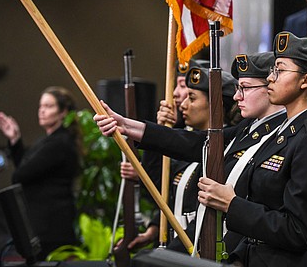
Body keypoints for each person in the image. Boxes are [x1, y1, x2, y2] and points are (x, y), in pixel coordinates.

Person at [97, 53, 287, 256]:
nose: (237, 96)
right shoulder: (248, 129)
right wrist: (126, 125)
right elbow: (193, 144)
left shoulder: (289, 134)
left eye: (246, 88)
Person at [197, 32, 307, 266]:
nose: (271, 79)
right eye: (272, 70)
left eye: (280, 70)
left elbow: (296, 231)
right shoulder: (282, 133)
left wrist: (232, 204)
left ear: (306, 81)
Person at [95, 64, 239, 252]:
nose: (183, 104)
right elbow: (160, 189)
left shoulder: (225, 149)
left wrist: (168, 254)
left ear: (216, 105)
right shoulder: (190, 143)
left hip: (195, 250)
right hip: (178, 247)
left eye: (192, 98)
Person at [0, 86, 81, 259]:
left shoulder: (59, 143)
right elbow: (26, 169)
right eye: (41, 106)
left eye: (49, 106)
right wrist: (15, 139)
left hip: (52, 224)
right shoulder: (49, 140)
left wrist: (18, 151)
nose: (42, 110)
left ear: (63, 112)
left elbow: (20, 174)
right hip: (45, 221)